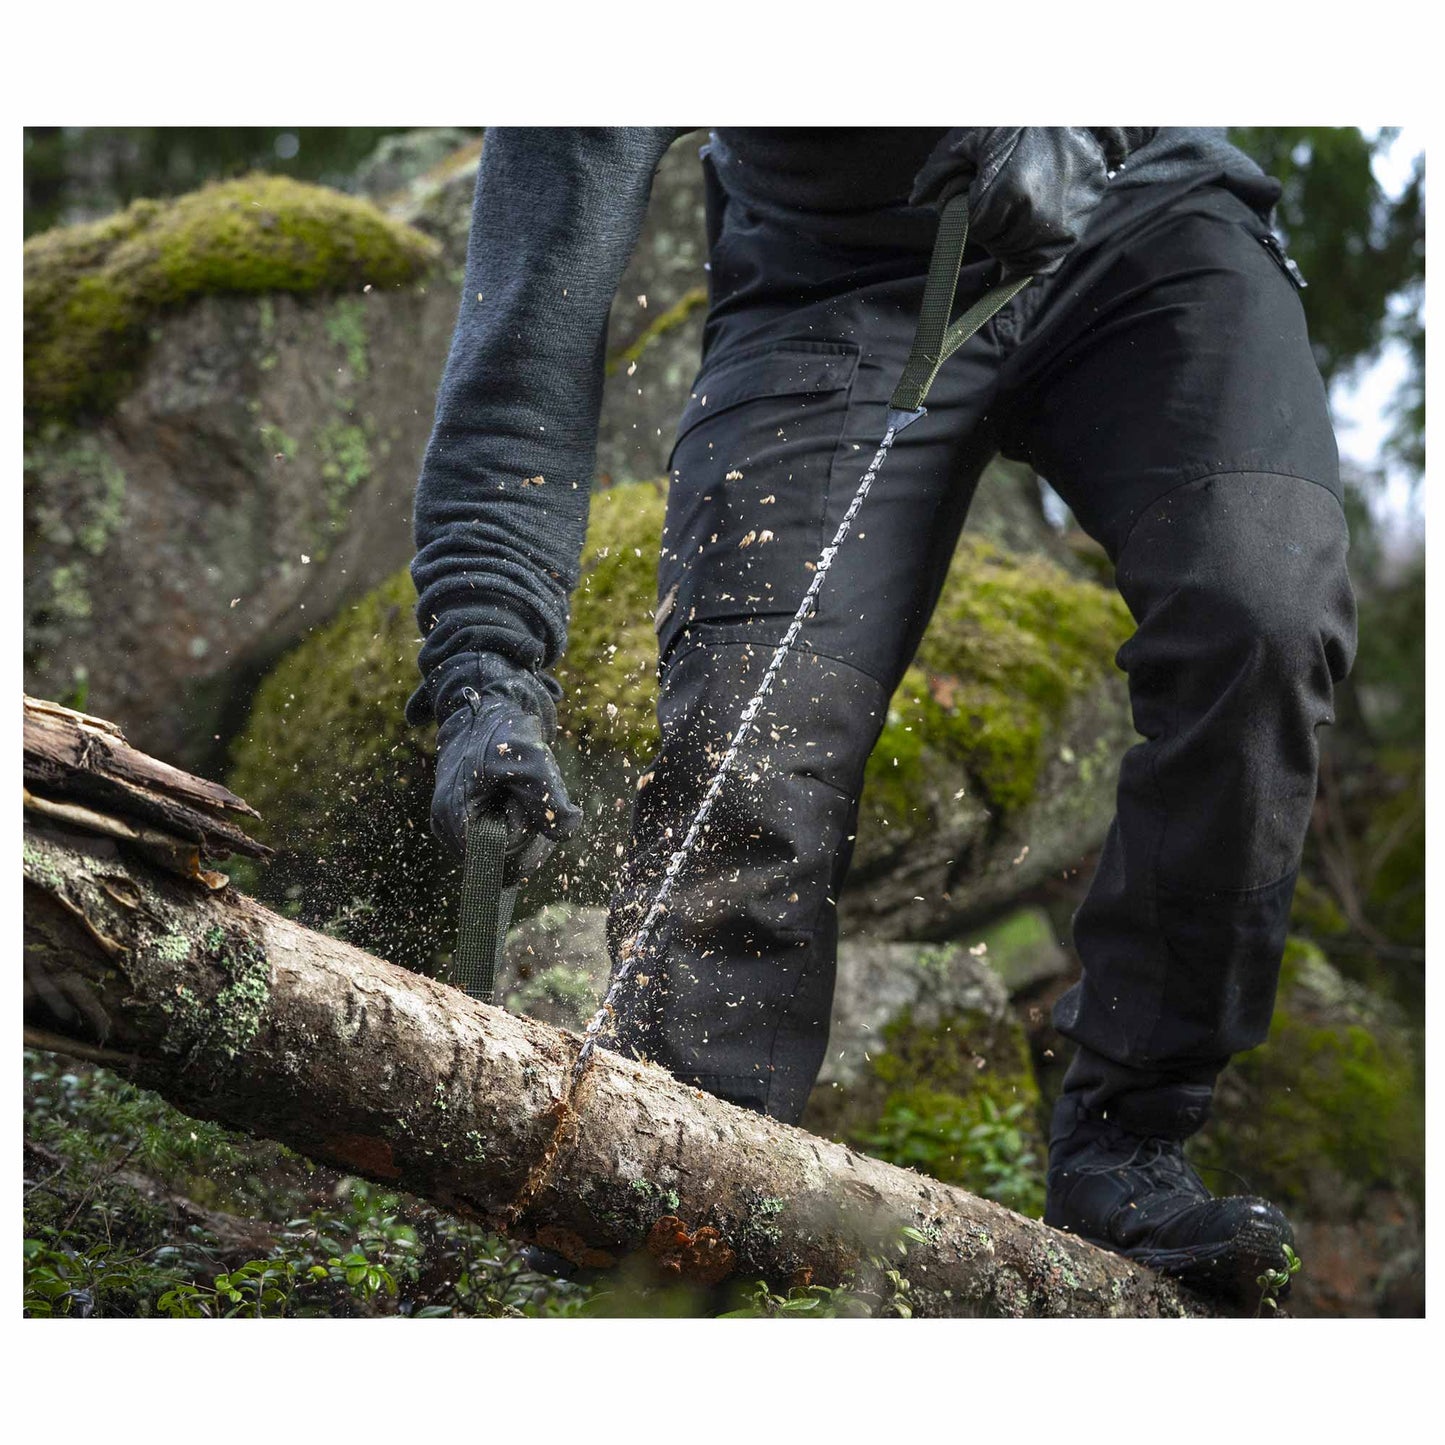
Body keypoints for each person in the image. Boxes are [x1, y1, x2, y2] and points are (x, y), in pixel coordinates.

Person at [409, 127, 1356, 1300]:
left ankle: (1127, 1139)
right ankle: (674, 1219)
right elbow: (523, 365)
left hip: (1143, 219)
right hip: (829, 279)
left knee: (1257, 607)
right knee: (748, 761)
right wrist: (488, 672)